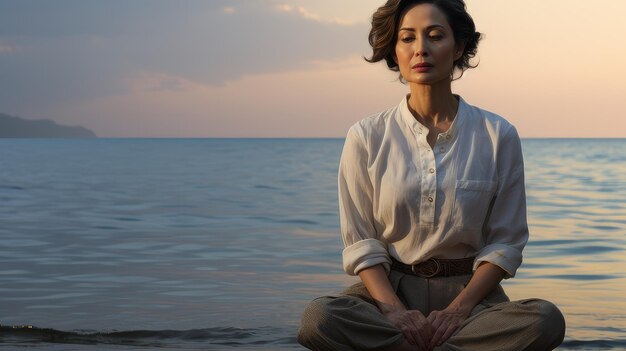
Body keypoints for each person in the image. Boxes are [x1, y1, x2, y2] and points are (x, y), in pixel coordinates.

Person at [297, 0, 566, 350]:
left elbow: (506, 242)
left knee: (545, 320)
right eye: (407, 38)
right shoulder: (366, 136)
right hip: (387, 294)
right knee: (319, 319)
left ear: (458, 47)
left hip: (472, 299)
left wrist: (458, 311)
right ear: (394, 50)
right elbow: (361, 243)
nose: (420, 48)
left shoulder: (498, 135)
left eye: (435, 36)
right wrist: (393, 312)